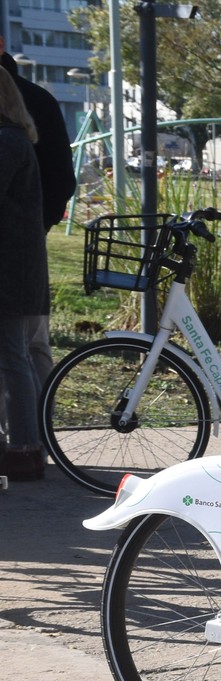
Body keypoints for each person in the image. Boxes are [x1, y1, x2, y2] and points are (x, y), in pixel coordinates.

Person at [0, 33, 76, 441]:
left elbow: (62, 177)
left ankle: (28, 444)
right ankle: (31, 441)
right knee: (25, 351)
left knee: (21, 352)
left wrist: (35, 227)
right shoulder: (23, 124)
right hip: (24, 250)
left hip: (15, 255)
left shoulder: (13, 132)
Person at [0, 70, 49, 480]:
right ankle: (26, 448)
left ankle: (24, 450)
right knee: (16, 359)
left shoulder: (6, 142)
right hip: (19, 269)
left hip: (9, 272)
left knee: (13, 360)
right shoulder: (17, 139)